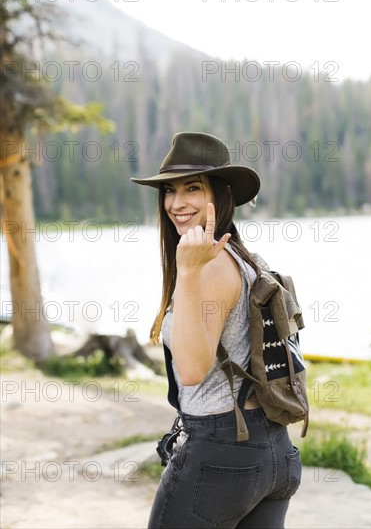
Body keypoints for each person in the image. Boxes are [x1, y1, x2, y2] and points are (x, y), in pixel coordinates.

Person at [130, 132, 302, 529]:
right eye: (170, 190)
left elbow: (191, 370)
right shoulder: (246, 257)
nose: (176, 203)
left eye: (193, 188)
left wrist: (188, 271)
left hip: (221, 455)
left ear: (221, 194)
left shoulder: (207, 267)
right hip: (273, 450)